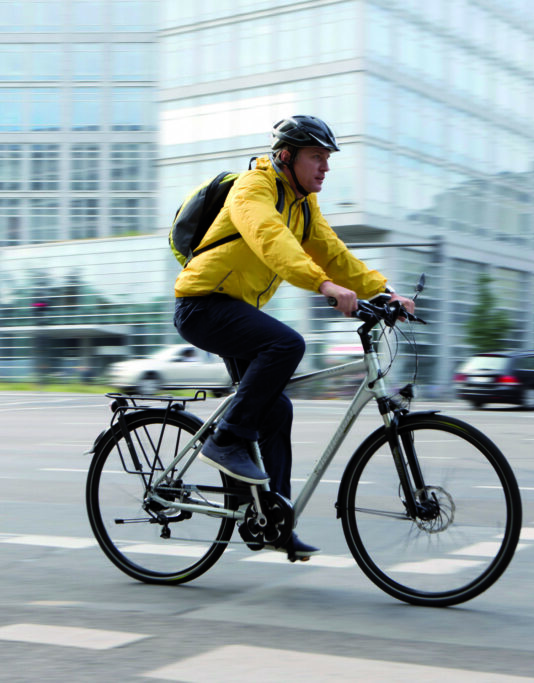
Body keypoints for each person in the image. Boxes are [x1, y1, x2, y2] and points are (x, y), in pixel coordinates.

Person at [173, 115, 415, 559]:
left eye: (328, 159)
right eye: (316, 157)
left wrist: (384, 292)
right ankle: (225, 440)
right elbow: (270, 238)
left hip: (236, 309)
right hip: (202, 305)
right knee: (286, 344)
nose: (325, 167)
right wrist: (322, 285)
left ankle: (270, 519)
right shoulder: (254, 187)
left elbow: (335, 254)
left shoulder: (304, 206)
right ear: (286, 156)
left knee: (276, 407)